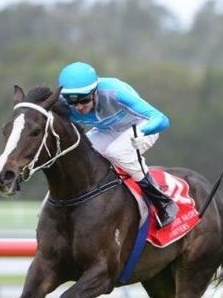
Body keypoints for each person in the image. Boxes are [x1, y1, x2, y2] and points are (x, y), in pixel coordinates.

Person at [57, 62, 178, 226]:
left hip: (141, 125)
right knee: (79, 152)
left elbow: (161, 119)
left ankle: (163, 202)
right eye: (72, 102)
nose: (78, 107)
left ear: (95, 91)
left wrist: (144, 132)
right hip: (107, 129)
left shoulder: (114, 91)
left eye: (84, 100)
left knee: (117, 151)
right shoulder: (62, 102)